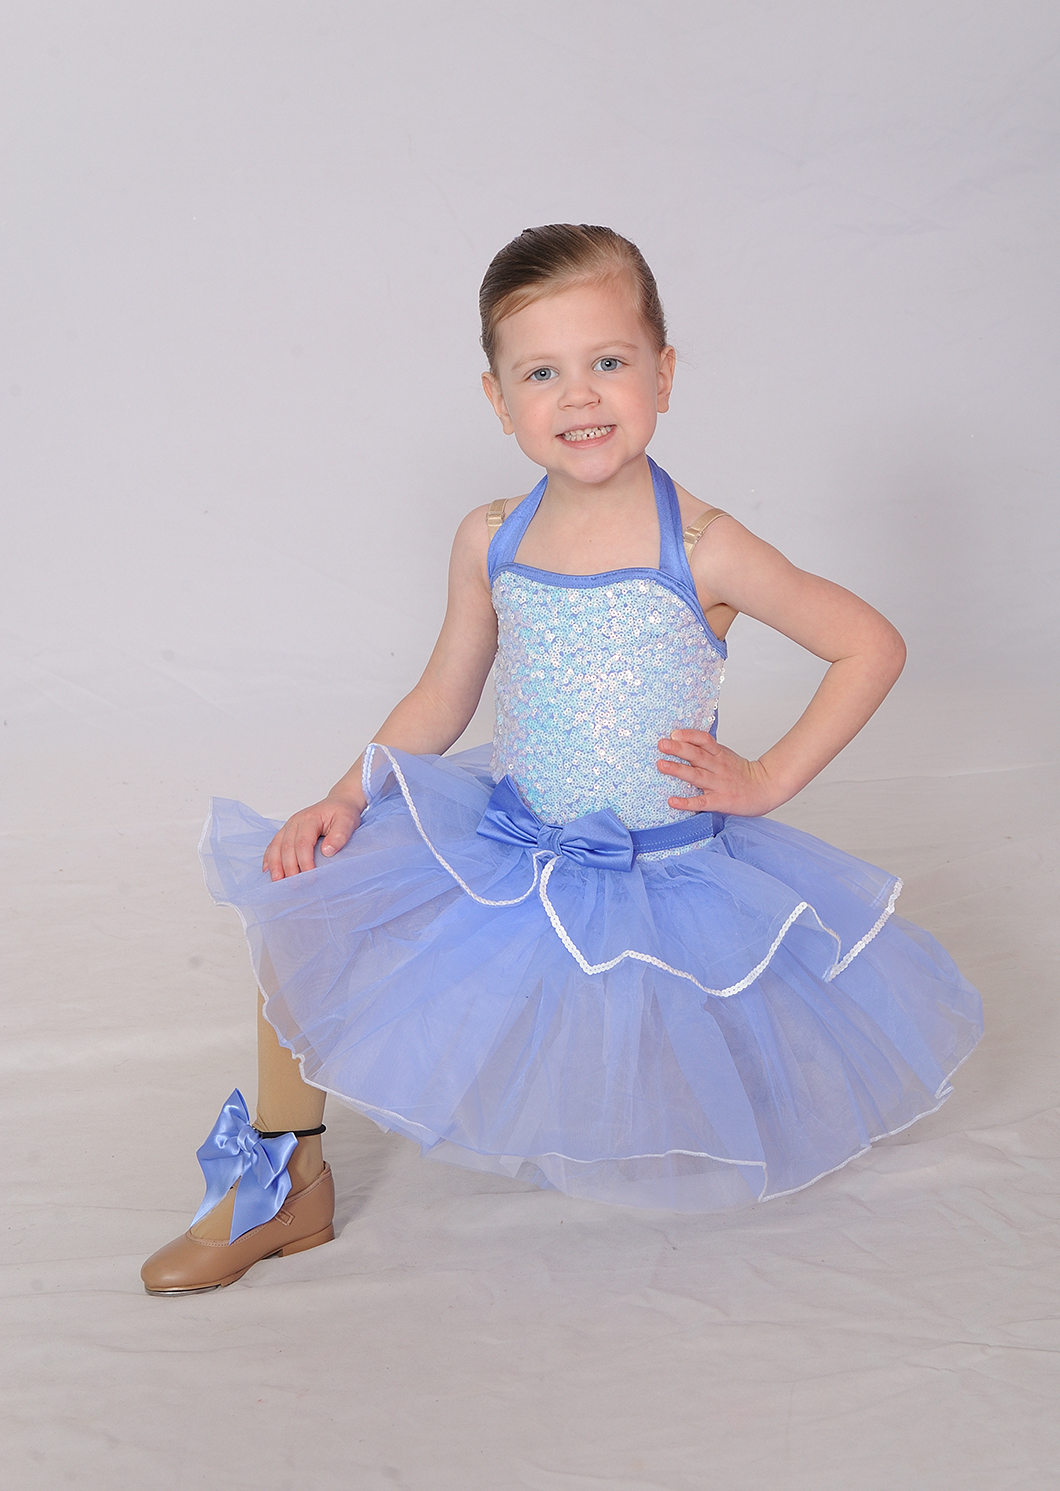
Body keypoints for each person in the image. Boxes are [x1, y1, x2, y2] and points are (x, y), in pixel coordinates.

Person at [141, 224, 983, 1294]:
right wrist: (345, 797)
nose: (579, 396)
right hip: (511, 839)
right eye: (541, 373)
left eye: (609, 362)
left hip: (653, 872)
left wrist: (768, 779)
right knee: (305, 890)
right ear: (498, 399)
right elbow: (444, 695)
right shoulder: (491, 535)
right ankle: (285, 1178)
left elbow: (870, 644)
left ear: (663, 375)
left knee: (659, 1036)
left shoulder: (707, 545)